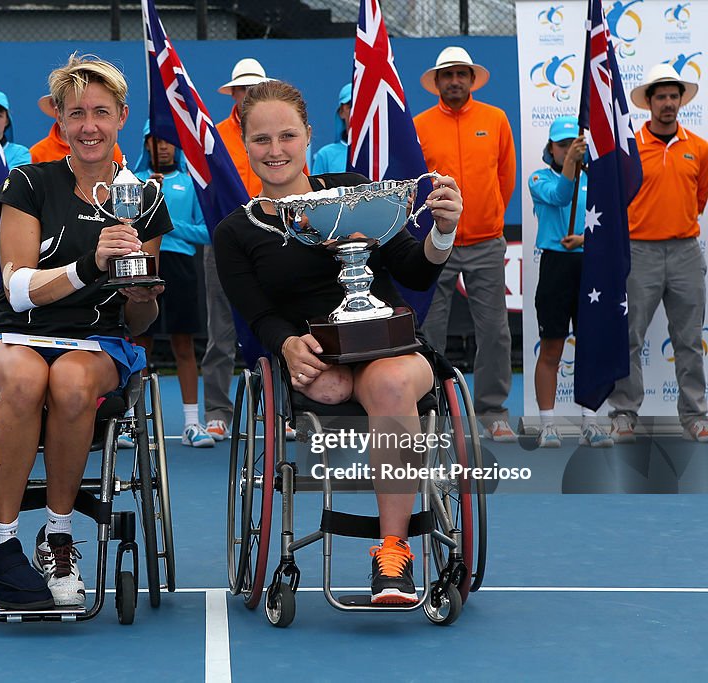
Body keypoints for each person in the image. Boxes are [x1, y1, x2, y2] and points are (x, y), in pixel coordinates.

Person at [213, 80, 463, 604]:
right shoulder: (236, 231)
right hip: (314, 357)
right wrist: (285, 345)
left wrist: (443, 231)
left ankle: (393, 554)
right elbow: (257, 313)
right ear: (244, 142)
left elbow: (415, 273)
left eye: (287, 135)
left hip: (391, 347)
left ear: (308, 135)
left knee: (392, 384)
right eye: (261, 140)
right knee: (325, 388)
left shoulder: (354, 191)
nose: (275, 150)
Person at [0, 54, 171, 609]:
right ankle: (2, 545)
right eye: (76, 113)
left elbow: (138, 323)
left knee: (74, 384)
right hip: (15, 335)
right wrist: (90, 265)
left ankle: (58, 535)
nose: (89, 126)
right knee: (29, 378)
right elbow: (18, 288)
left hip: (97, 340)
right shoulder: (29, 181)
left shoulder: (143, 198)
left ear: (122, 116)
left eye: (101, 112)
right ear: (58, 117)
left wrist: (142, 297)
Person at [414, 46, 518, 441]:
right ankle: (434, 411)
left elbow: (505, 177)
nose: (455, 81)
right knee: (429, 330)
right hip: (435, 242)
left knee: (494, 330)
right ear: (437, 82)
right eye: (447, 75)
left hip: (486, 243)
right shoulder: (420, 124)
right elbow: (414, 182)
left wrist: (487, 217)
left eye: (461, 74)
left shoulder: (495, 119)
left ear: (471, 80)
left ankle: (493, 411)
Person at [608, 64, 708, 443]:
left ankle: (695, 415)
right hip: (639, 253)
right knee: (630, 337)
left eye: (673, 96)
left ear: (681, 100)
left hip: (684, 251)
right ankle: (624, 414)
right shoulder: (630, 147)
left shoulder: (699, 148)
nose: (668, 103)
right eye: (661, 96)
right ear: (648, 102)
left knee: (688, 338)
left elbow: (699, 198)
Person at [528, 115, 613, 449]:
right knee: (552, 346)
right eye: (562, 145)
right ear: (551, 148)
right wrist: (572, 164)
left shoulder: (598, 179)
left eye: (573, 145)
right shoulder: (539, 177)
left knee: (590, 346)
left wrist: (585, 241)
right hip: (555, 268)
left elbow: (609, 226)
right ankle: (548, 424)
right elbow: (562, 196)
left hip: (590, 266)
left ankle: (590, 421)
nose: (567, 151)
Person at [202, 57, 273, 443]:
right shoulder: (213, 136)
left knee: (276, 324)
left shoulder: (276, 130)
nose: (247, 95)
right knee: (221, 330)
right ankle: (216, 411)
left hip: (273, 241)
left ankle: (277, 410)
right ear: (232, 93)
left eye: (253, 88)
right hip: (225, 243)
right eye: (242, 89)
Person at [134, 122, 214, 448]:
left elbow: (205, 232)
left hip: (180, 268)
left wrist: (166, 223)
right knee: (140, 346)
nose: (163, 147)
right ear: (146, 145)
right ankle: (130, 423)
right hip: (143, 266)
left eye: (168, 141)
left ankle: (193, 424)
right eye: (155, 141)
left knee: (184, 345)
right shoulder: (135, 182)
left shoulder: (189, 185)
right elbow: (128, 227)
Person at [29, 93, 124, 165]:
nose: (89, 128)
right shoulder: (37, 153)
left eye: (101, 112)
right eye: (77, 112)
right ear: (59, 115)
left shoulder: (110, 147)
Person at [311, 83, 353, 175]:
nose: (356, 110)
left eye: (362, 104)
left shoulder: (382, 154)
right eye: (351, 105)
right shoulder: (325, 155)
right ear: (341, 112)